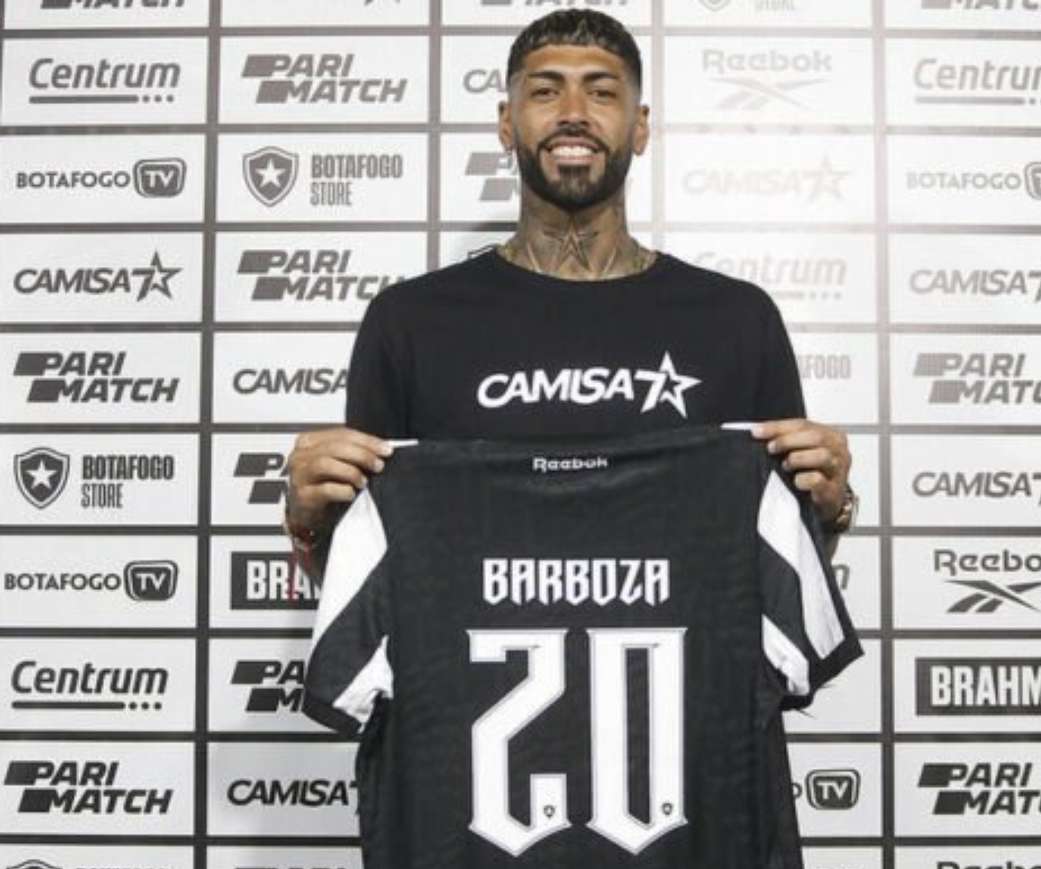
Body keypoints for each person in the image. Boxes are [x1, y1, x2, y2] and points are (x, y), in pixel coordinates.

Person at [284, 9, 856, 576]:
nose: (574, 114)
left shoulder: (736, 319)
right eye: (545, 92)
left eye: (602, 93)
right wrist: (308, 520)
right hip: (471, 641)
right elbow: (362, 579)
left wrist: (830, 510)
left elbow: (787, 572)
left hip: (686, 640)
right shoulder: (411, 321)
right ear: (506, 123)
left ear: (640, 126)